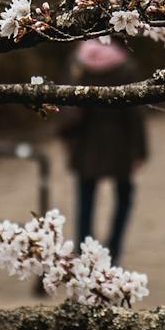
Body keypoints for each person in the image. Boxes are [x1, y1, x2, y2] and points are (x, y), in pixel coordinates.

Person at [59, 37, 148, 264]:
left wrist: (66, 138)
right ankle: (114, 248)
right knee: (124, 196)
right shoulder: (124, 66)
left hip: (85, 142)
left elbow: (65, 101)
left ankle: (84, 248)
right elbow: (134, 112)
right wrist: (140, 150)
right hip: (119, 142)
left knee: (85, 198)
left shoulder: (77, 62)